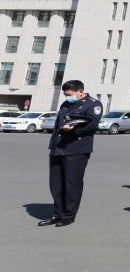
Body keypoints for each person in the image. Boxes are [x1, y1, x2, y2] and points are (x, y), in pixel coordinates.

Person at [39, 80, 103, 227]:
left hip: (76, 149)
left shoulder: (93, 104)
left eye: (69, 94)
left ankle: (68, 215)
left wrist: (74, 129)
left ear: (80, 91)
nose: (67, 97)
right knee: (56, 184)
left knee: (71, 183)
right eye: (65, 94)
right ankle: (57, 213)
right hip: (58, 148)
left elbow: (93, 125)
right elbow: (58, 125)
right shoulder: (65, 104)